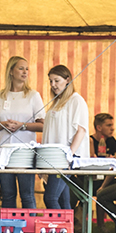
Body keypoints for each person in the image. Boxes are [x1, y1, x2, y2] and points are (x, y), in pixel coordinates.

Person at [0, 55, 44, 209]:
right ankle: (8, 230)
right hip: (4, 151)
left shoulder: (33, 95)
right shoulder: (0, 95)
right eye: (21, 68)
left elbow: (43, 125)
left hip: (24, 152)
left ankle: (29, 231)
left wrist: (22, 126)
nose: (25, 72)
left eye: (27, 69)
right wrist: (3, 124)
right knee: (8, 194)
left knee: (26, 194)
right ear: (11, 71)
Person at [41, 64, 90, 210]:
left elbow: (81, 130)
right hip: (54, 157)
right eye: (50, 81)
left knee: (50, 197)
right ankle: (67, 231)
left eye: (57, 80)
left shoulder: (76, 100)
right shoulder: (56, 101)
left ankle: (58, 230)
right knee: (63, 199)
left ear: (67, 80)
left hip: (65, 158)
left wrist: (69, 154)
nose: (53, 85)